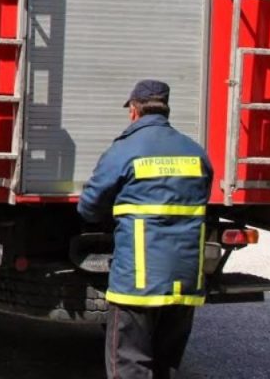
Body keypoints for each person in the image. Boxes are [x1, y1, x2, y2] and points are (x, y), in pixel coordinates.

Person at [77, 80, 213, 379]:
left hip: (138, 281)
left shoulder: (124, 150)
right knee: (163, 364)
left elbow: (89, 206)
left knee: (129, 365)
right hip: (185, 282)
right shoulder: (195, 152)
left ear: (134, 111)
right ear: (166, 110)